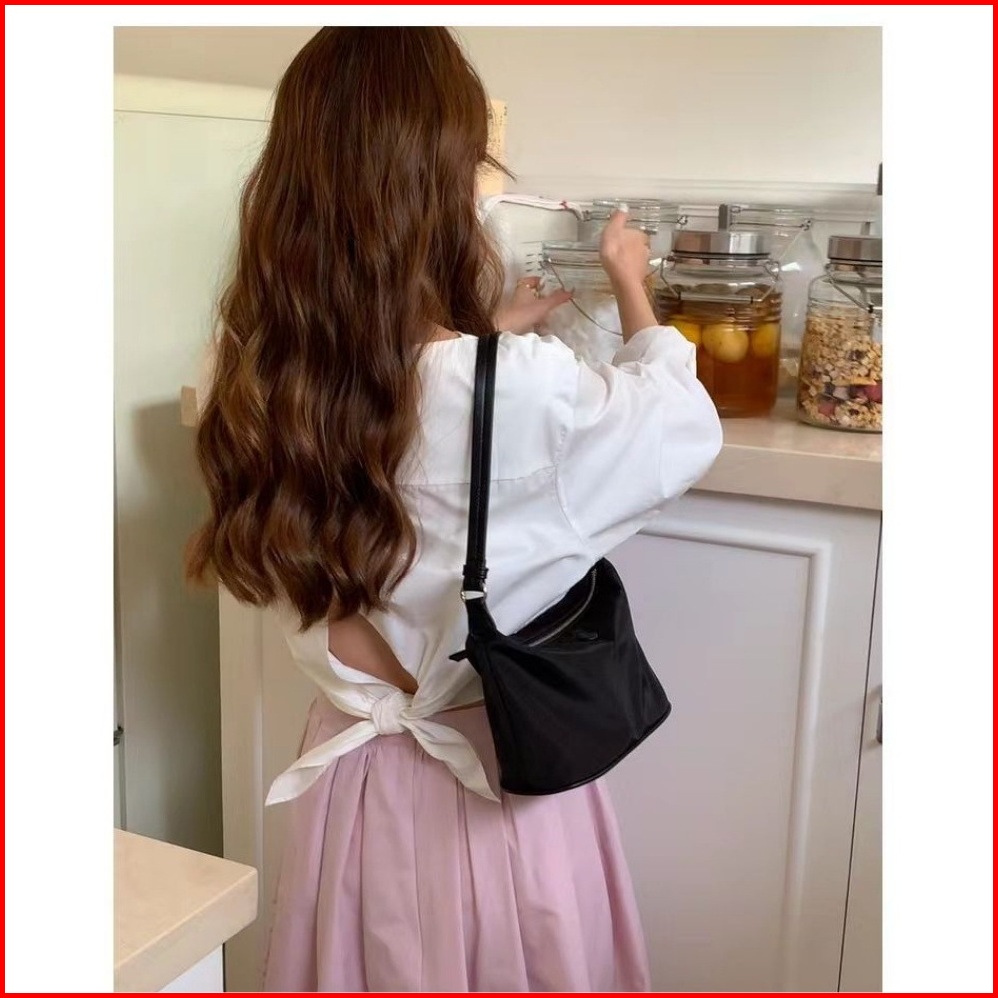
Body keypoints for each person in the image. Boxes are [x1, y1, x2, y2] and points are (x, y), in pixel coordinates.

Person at [188, 26, 722, 993]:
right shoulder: (521, 389)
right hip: (497, 788)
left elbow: (395, 402)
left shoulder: (246, 369)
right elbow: (681, 425)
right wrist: (630, 282)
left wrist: (490, 335)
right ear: (445, 183)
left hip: (348, 791)